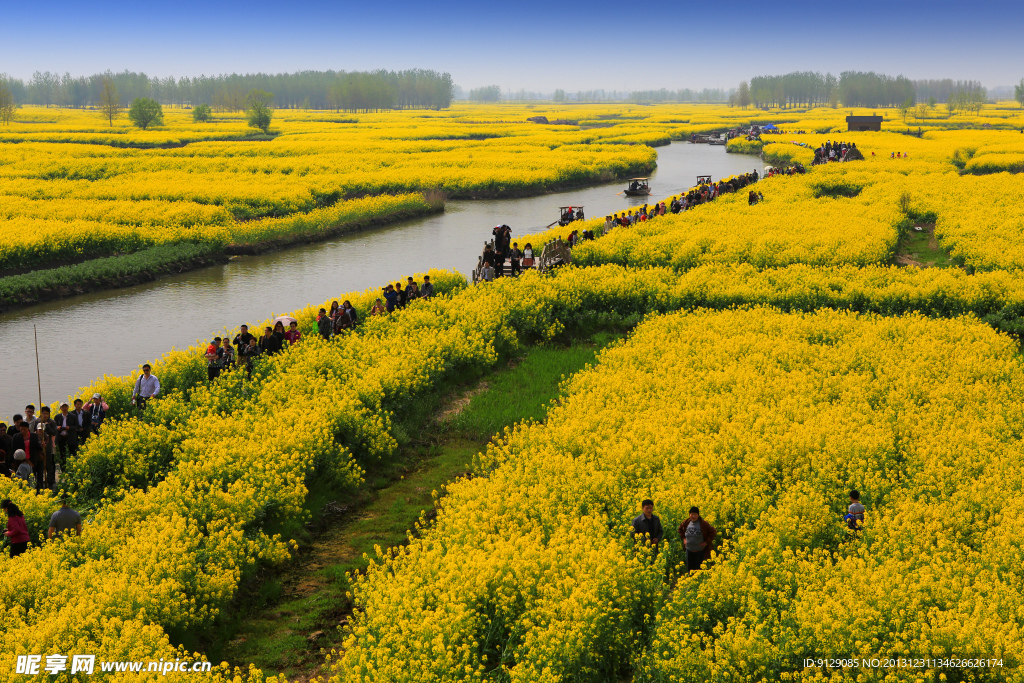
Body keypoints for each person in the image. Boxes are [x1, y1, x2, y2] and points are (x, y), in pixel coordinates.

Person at [678, 506, 716, 572]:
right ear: (689, 514)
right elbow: (680, 529)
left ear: (698, 515)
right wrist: (684, 538)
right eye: (691, 514)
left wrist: (706, 542)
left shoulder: (703, 524)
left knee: (698, 570)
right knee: (689, 570)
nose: (693, 516)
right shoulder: (686, 522)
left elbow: (713, 532)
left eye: (695, 514)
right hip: (689, 550)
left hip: (700, 551)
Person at [34, 407, 57, 490]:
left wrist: (47, 426)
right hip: (38, 447)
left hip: (48, 446)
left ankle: (50, 482)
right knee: (39, 464)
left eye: (47, 413)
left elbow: (54, 432)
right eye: (43, 413)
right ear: (41, 413)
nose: (45, 415)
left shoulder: (52, 422)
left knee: (48, 464)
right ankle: (39, 482)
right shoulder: (37, 421)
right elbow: (34, 432)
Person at [54, 401, 80, 467]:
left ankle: (72, 466)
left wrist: (70, 427)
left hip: (70, 437)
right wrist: (57, 427)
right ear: (60, 408)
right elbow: (54, 426)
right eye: (63, 407)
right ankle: (63, 468)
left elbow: (77, 426)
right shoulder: (57, 417)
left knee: (72, 453)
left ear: (68, 407)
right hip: (61, 437)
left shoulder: (73, 416)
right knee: (62, 454)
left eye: (65, 406)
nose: (64, 408)